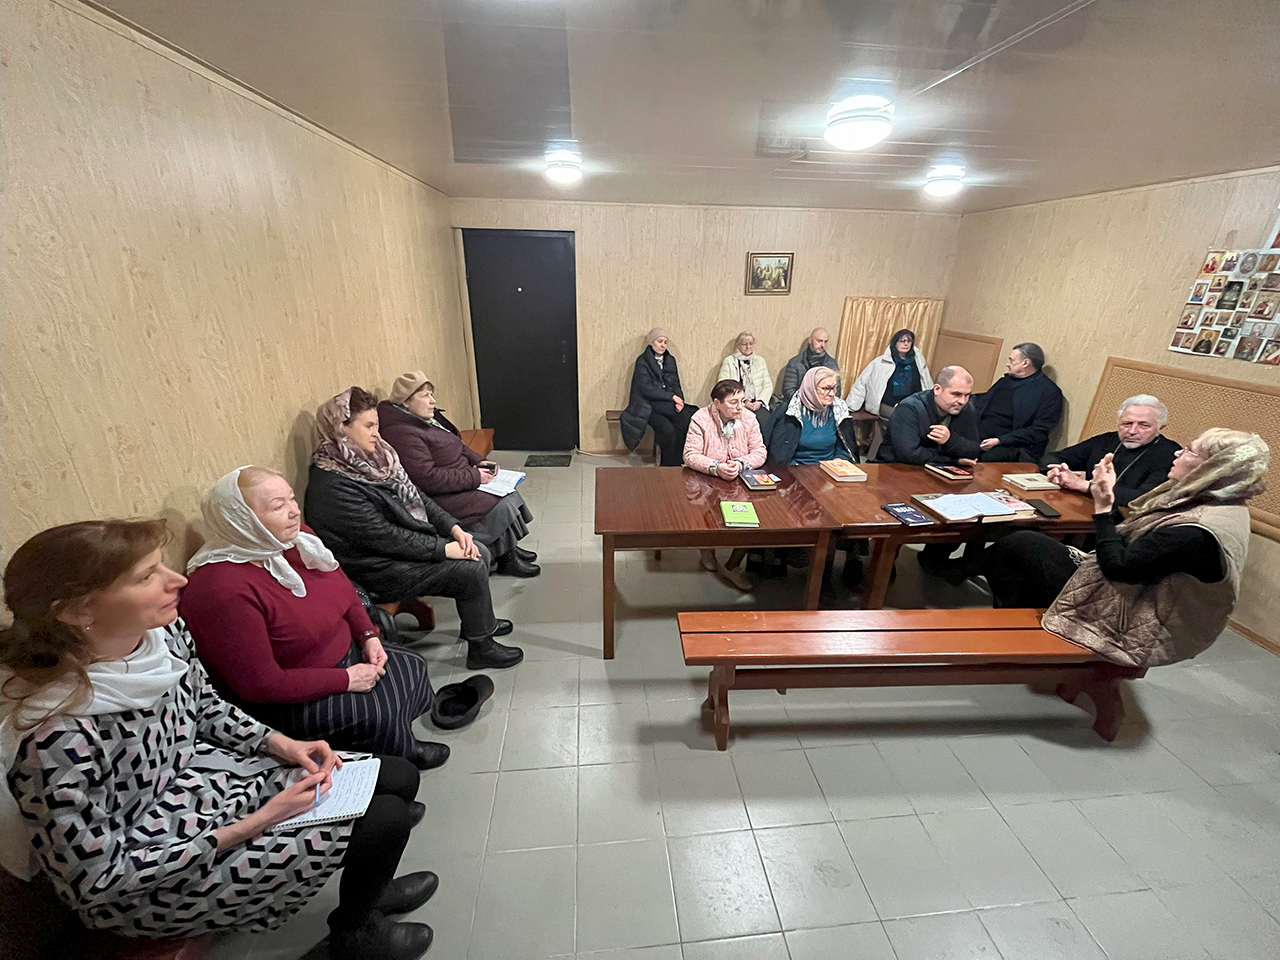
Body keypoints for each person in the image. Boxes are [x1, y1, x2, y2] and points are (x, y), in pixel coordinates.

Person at [1, 520, 436, 960]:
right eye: (147, 576)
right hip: (159, 874)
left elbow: (205, 705)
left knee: (397, 775)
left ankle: (369, 891)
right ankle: (353, 936)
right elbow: (98, 881)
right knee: (385, 820)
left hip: (208, 786)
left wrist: (281, 744)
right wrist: (262, 819)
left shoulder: (161, 636)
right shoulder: (55, 738)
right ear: (76, 613)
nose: (177, 580)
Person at [180, 466, 448, 771]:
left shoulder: (298, 540)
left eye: (291, 499)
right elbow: (261, 686)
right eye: (278, 506)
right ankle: (390, 762)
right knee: (379, 713)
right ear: (240, 520)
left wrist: (368, 636)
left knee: (413, 664)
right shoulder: (222, 589)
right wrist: (347, 679)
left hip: (342, 655)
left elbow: (344, 590)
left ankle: (400, 741)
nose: (294, 511)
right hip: (290, 698)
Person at [985, 429, 1266, 667]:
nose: (1178, 453)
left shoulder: (1195, 531)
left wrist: (1103, 505)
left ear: (1212, 469)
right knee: (1021, 543)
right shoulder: (1224, 502)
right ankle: (1020, 625)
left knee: (1014, 547)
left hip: (1139, 622)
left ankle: (1015, 638)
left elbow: (1118, 569)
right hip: (1140, 592)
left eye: (1190, 452)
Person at [304, 388, 523, 670]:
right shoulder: (333, 485)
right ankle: (481, 648)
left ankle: (480, 625)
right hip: (372, 568)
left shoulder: (374, 458)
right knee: (470, 566)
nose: (376, 434)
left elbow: (417, 495)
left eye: (377, 425)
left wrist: (454, 528)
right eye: (368, 426)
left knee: (473, 547)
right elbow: (386, 538)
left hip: (393, 550)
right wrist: (444, 548)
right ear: (340, 429)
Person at [378, 372, 538, 578]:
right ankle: (505, 558)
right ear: (406, 402)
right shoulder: (402, 433)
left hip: (460, 478)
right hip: (443, 495)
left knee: (509, 491)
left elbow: (457, 444)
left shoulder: (427, 418)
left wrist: (479, 461)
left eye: (431, 394)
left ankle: (509, 548)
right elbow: (427, 478)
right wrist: (475, 477)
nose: (432, 400)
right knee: (501, 503)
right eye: (425, 396)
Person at [683, 379, 767, 591]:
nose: (740, 407)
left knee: (753, 520)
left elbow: (760, 451)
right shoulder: (700, 418)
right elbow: (690, 454)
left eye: (742, 401)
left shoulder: (749, 417)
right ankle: (707, 549)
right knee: (704, 512)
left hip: (740, 477)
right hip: (708, 477)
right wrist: (716, 467)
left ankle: (732, 565)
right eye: (733, 402)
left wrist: (741, 463)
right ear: (717, 403)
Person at [1040, 395, 1181, 507]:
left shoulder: (1171, 454)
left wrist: (1085, 486)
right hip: (1086, 507)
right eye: (1127, 423)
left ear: (1160, 428)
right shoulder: (1107, 440)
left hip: (1124, 521)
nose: (1132, 431)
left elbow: (1145, 498)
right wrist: (1057, 471)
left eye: (1143, 425)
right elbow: (1053, 457)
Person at [846, 328, 935, 459]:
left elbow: (927, 383)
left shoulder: (918, 363)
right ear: (895, 343)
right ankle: (896, 455)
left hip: (911, 404)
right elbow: (862, 383)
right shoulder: (880, 362)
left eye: (909, 341)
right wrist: (851, 406)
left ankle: (882, 456)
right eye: (902, 340)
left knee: (914, 420)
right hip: (887, 404)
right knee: (901, 419)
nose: (905, 344)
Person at [969, 343, 1063, 462]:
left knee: (974, 456)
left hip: (1013, 446)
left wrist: (1000, 440)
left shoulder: (1049, 393)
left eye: (1011, 360)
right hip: (981, 435)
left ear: (1025, 363)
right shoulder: (1006, 381)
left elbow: (1038, 432)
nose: (1008, 364)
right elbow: (982, 401)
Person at [620, 328, 697, 466]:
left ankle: (678, 461)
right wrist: (672, 397)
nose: (663, 345)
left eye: (665, 342)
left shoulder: (670, 360)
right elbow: (646, 389)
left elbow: (676, 383)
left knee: (685, 421)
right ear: (651, 342)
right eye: (659, 341)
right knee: (667, 430)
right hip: (647, 406)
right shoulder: (642, 361)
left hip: (668, 405)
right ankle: (666, 464)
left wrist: (679, 400)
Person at [879, 365, 981, 466]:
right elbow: (909, 454)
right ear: (937, 389)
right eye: (956, 394)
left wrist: (949, 440)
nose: (962, 401)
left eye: (967, 395)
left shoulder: (966, 409)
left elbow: (975, 450)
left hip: (939, 468)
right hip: (895, 467)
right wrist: (953, 460)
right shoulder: (909, 408)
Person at [767, 366, 859, 465]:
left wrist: (839, 459)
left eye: (834, 388)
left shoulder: (839, 409)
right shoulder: (789, 411)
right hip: (795, 467)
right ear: (811, 388)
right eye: (826, 388)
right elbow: (778, 453)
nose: (832, 394)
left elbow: (845, 447)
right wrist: (795, 467)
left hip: (829, 467)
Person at [718, 331, 774, 438]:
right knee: (739, 428)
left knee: (767, 424)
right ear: (738, 345)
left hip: (757, 404)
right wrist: (743, 402)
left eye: (751, 343)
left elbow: (768, 385)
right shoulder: (729, 361)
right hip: (737, 405)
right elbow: (723, 386)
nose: (748, 347)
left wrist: (759, 402)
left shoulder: (760, 361)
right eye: (744, 344)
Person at [778, 327, 839, 408]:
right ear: (810, 340)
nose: (822, 345)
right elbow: (788, 391)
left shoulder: (832, 364)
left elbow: (837, 390)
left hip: (824, 407)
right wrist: (808, 403)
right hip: (799, 406)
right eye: (819, 341)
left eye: (825, 342)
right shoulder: (795, 363)